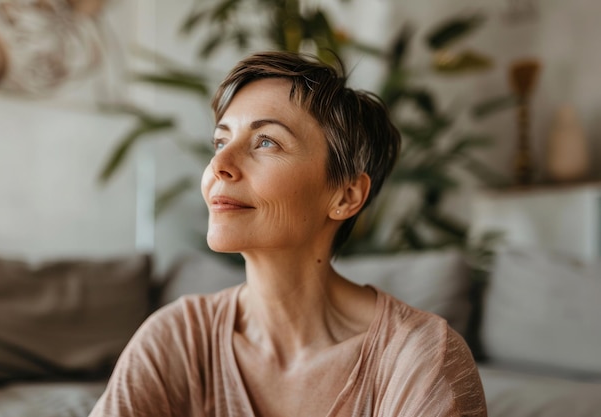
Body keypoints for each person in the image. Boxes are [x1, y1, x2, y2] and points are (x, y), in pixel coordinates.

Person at [89, 51, 487, 417]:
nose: (220, 165)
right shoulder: (178, 338)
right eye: (220, 141)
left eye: (266, 141)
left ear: (346, 196)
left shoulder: (419, 358)